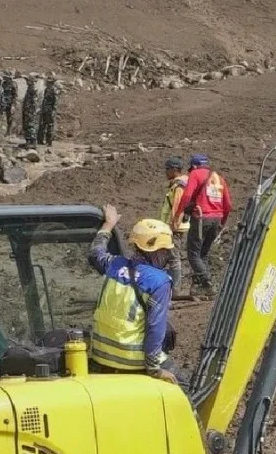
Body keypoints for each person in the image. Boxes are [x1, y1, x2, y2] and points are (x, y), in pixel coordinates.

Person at [87, 204, 179, 384]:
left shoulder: (114, 264)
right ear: (158, 250)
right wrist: (154, 369)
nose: (169, 255)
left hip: (100, 356)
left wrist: (108, 225)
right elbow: (155, 326)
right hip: (131, 359)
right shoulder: (159, 282)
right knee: (183, 389)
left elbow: (95, 252)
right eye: (167, 251)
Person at [171, 153, 232, 298]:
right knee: (202, 253)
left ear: (193, 166)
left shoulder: (196, 174)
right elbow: (228, 205)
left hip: (201, 217)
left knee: (193, 254)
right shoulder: (219, 179)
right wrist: (222, 222)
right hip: (217, 218)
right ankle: (201, 287)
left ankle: (208, 282)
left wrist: (178, 214)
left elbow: (186, 196)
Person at [160, 157, 190, 292]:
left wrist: (172, 225)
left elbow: (177, 206)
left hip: (175, 227)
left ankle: (176, 288)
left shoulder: (179, 186)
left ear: (174, 170)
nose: (165, 172)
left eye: (167, 169)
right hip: (174, 226)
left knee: (174, 257)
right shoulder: (179, 184)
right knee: (171, 256)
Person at [38, 75, 59, 147]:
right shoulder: (46, 89)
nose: (48, 83)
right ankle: (40, 140)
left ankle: (49, 142)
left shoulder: (54, 90)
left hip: (50, 110)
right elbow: (44, 100)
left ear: (52, 83)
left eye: (50, 82)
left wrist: (53, 111)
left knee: (50, 126)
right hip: (44, 110)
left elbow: (55, 102)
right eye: (48, 82)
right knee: (42, 125)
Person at [21, 75, 39, 148]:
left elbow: (34, 102)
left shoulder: (33, 90)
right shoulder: (29, 89)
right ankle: (28, 142)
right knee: (27, 126)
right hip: (27, 111)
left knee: (31, 126)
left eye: (28, 80)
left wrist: (31, 111)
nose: (26, 82)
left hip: (31, 112)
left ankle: (33, 143)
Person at [1, 70, 17, 136]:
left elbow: (15, 95)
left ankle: (9, 132)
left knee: (9, 118)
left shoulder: (13, 84)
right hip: (3, 102)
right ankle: (3, 132)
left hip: (10, 103)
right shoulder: (3, 83)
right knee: (3, 118)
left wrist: (13, 105)